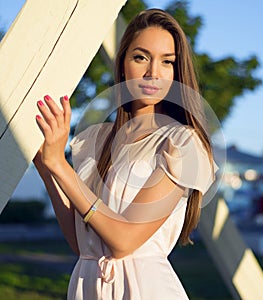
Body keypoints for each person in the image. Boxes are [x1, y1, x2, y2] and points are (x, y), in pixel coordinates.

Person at [33, 8, 217, 300]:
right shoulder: (96, 139)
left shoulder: (182, 144)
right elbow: (84, 244)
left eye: (166, 62)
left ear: (176, 72)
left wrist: (60, 165)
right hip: (86, 286)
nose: (152, 73)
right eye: (141, 57)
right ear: (122, 65)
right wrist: (47, 167)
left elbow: (123, 240)